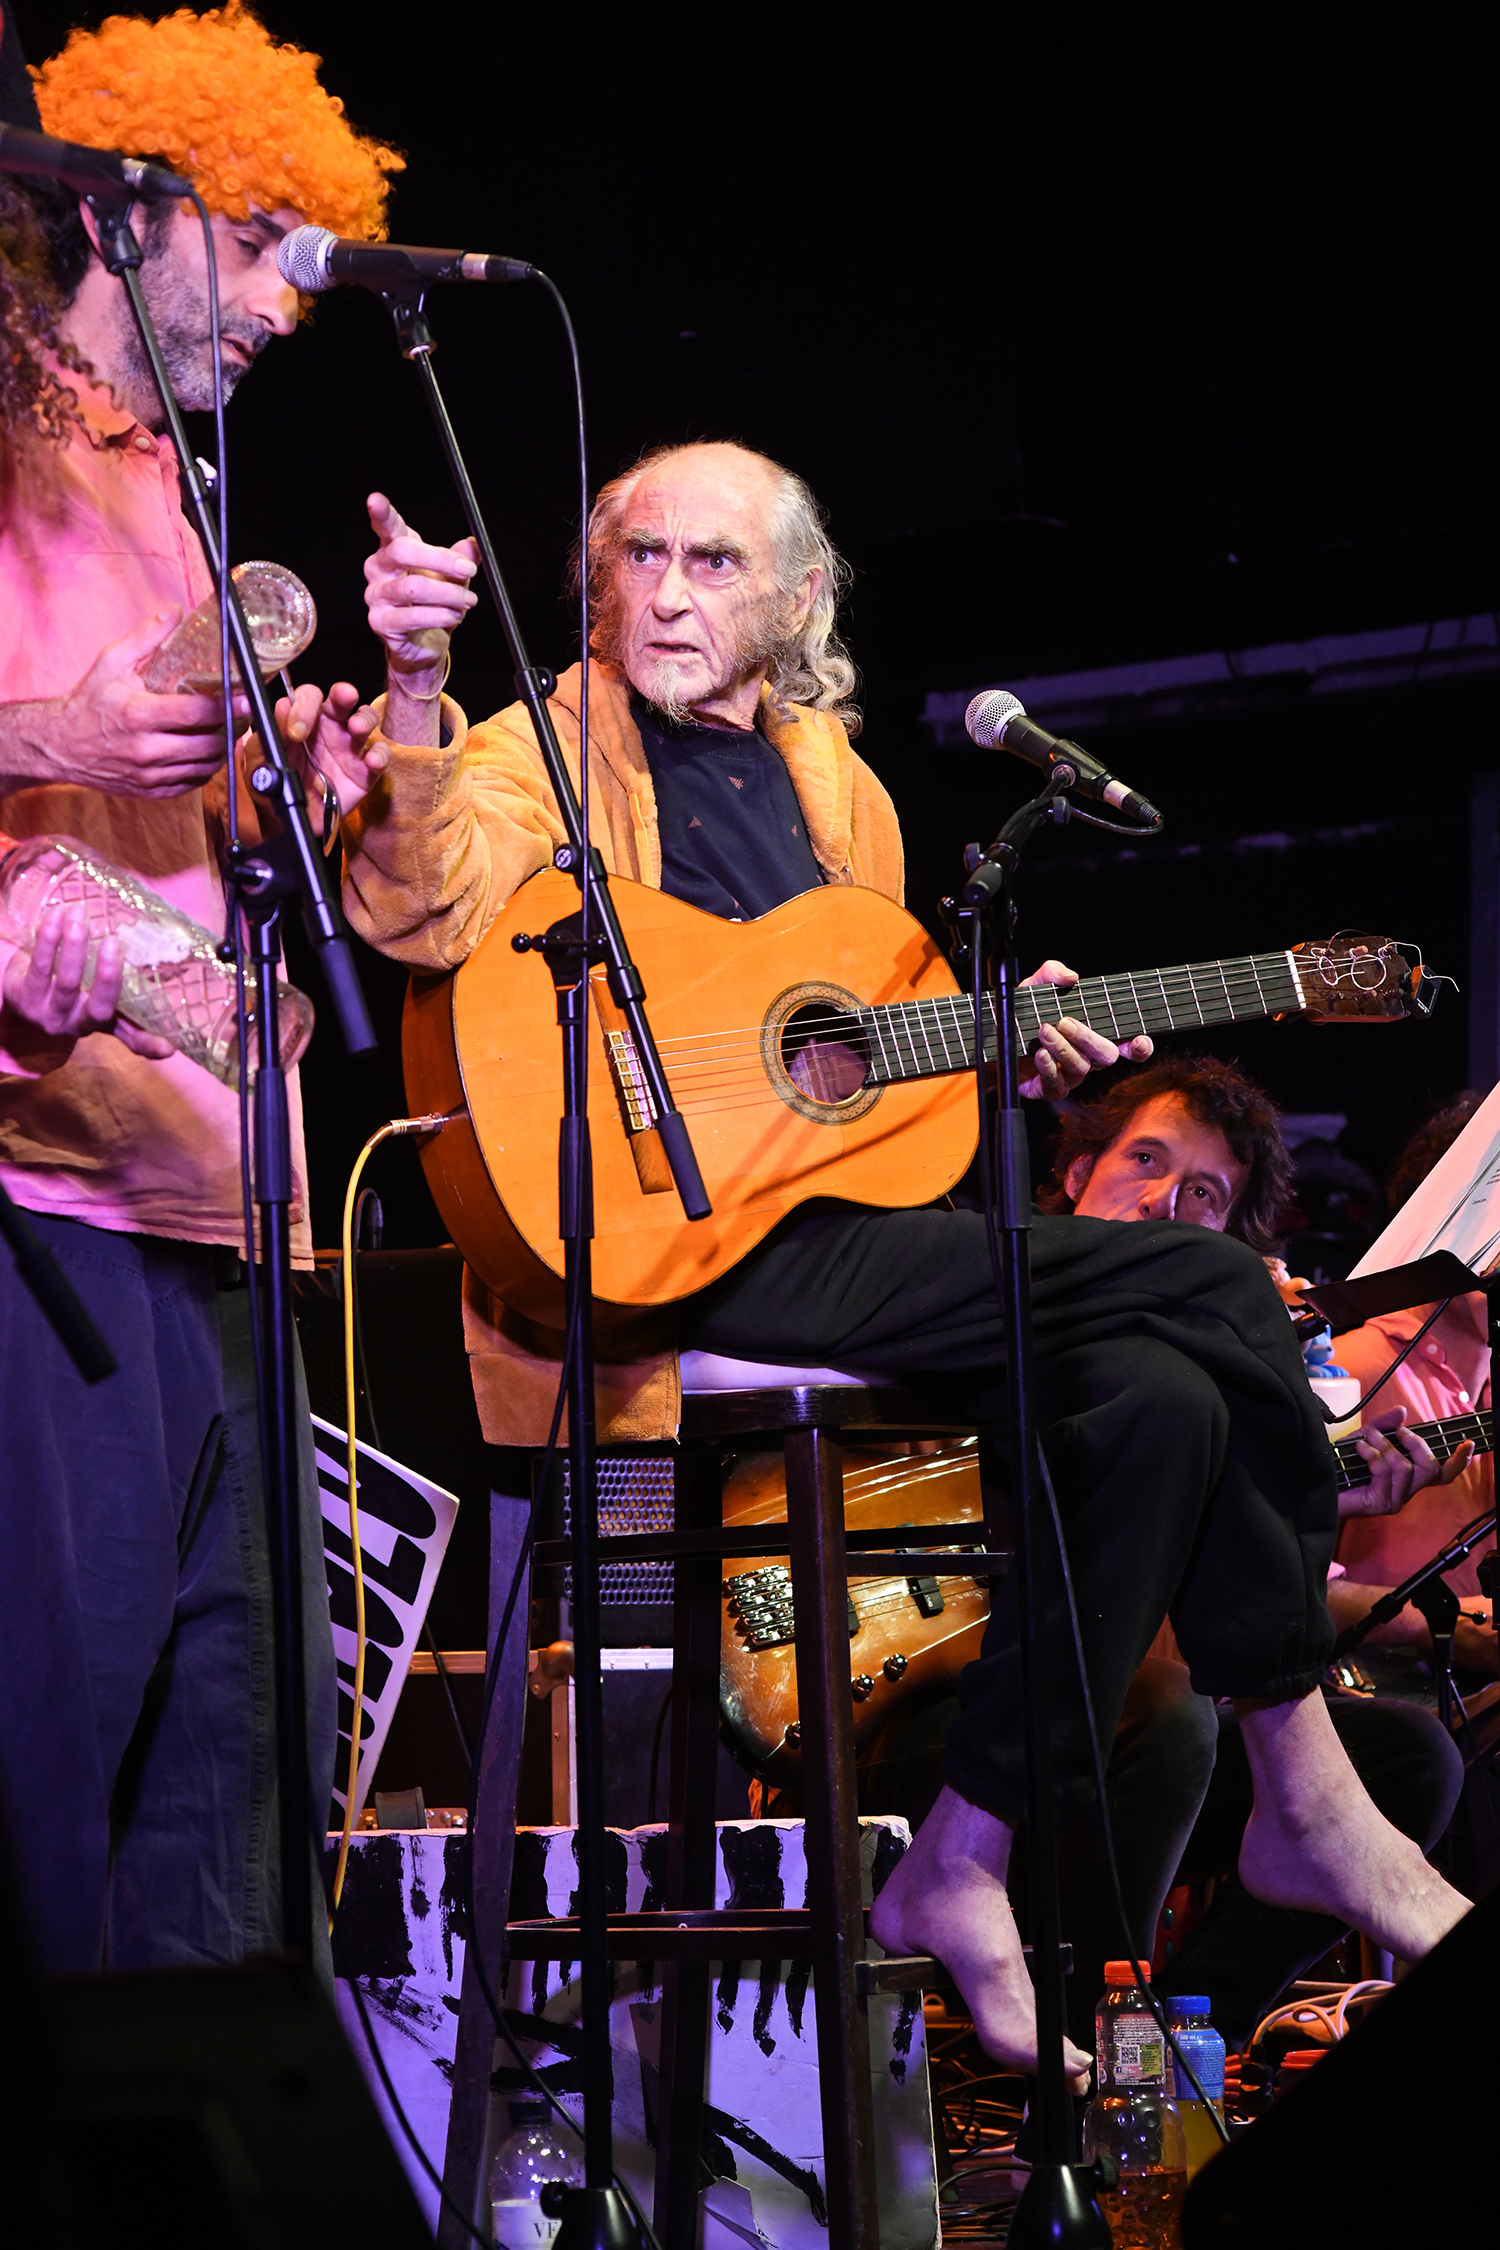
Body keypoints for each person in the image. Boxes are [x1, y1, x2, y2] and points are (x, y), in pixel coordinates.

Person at [310, 437, 1471, 2082]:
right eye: (640, 557)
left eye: (714, 562)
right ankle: (1309, 1797)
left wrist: (996, 1049)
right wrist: (419, 685)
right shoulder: (535, 753)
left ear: (798, 601)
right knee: (1218, 1287)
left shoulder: (837, 785)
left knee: (1164, 1396)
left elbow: (848, 1062)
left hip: (834, 1235)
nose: (668, 594)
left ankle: (965, 1849)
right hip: (662, 1264)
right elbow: (417, 911)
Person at [0, 3, 394, 1973]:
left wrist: (291, 789)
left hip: (232, 1217)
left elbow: (168, 830)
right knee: (49, 1805)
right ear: (122, 208)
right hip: (46, 1217)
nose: (282, 304)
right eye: (254, 242)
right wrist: (52, 731)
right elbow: (61, 768)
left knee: (236, 1835)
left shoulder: (171, 483)